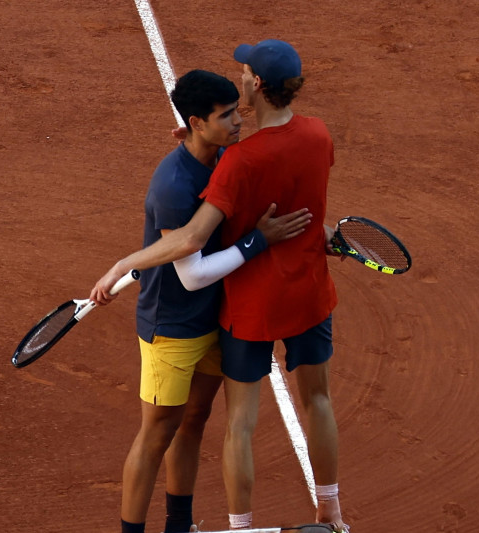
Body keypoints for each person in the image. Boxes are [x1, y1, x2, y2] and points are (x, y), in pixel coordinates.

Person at [92, 41, 349, 532]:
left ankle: (215, 525)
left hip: (239, 310)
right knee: (310, 402)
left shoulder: (236, 158)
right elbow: (197, 254)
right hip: (261, 303)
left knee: (222, 425)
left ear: (256, 86)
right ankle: (331, 512)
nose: (235, 118)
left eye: (243, 81)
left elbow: (198, 236)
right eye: (223, 116)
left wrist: (206, 143)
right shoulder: (316, 134)